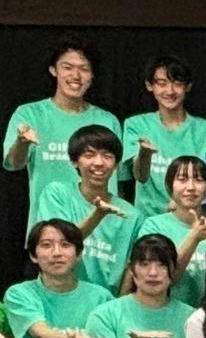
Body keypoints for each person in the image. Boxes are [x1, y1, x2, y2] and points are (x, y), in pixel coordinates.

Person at [1, 35, 121, 228]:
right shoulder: (30, 114)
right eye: (67, 67)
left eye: (84, 69)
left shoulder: (107, 120)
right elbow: (13, 164)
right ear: (53, 70)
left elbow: (117, 177)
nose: (76, 75)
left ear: (92, 75)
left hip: (101, 231)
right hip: (48, 230)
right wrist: (22, 142)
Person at [33, 123, 136, 293]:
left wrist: (118, 306)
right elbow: (58, 243)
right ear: (74, 161)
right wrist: (98, 214)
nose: (99, 162)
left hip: (107, 302)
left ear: (117, 164)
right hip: (59, 294)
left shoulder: (132, 215)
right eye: (89, 155)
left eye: (107, 156)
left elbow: (131, 268)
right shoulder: (57, 193)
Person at [123, 55, 206, 219]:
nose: (169, 91)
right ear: (149, 85)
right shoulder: (136, 125)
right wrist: (145, 153)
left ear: (188, 86)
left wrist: (183, 204)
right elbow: (140, 176)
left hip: (194, 220)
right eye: (162, 83)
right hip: (149, 221)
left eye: (177, 84)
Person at [138, 156, 206, 309]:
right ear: (170, 187)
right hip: (167, 313)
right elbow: (161, 279)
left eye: (198, 180)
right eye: (182, 179)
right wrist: (194, 237)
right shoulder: (154, 226)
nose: (191, 187)